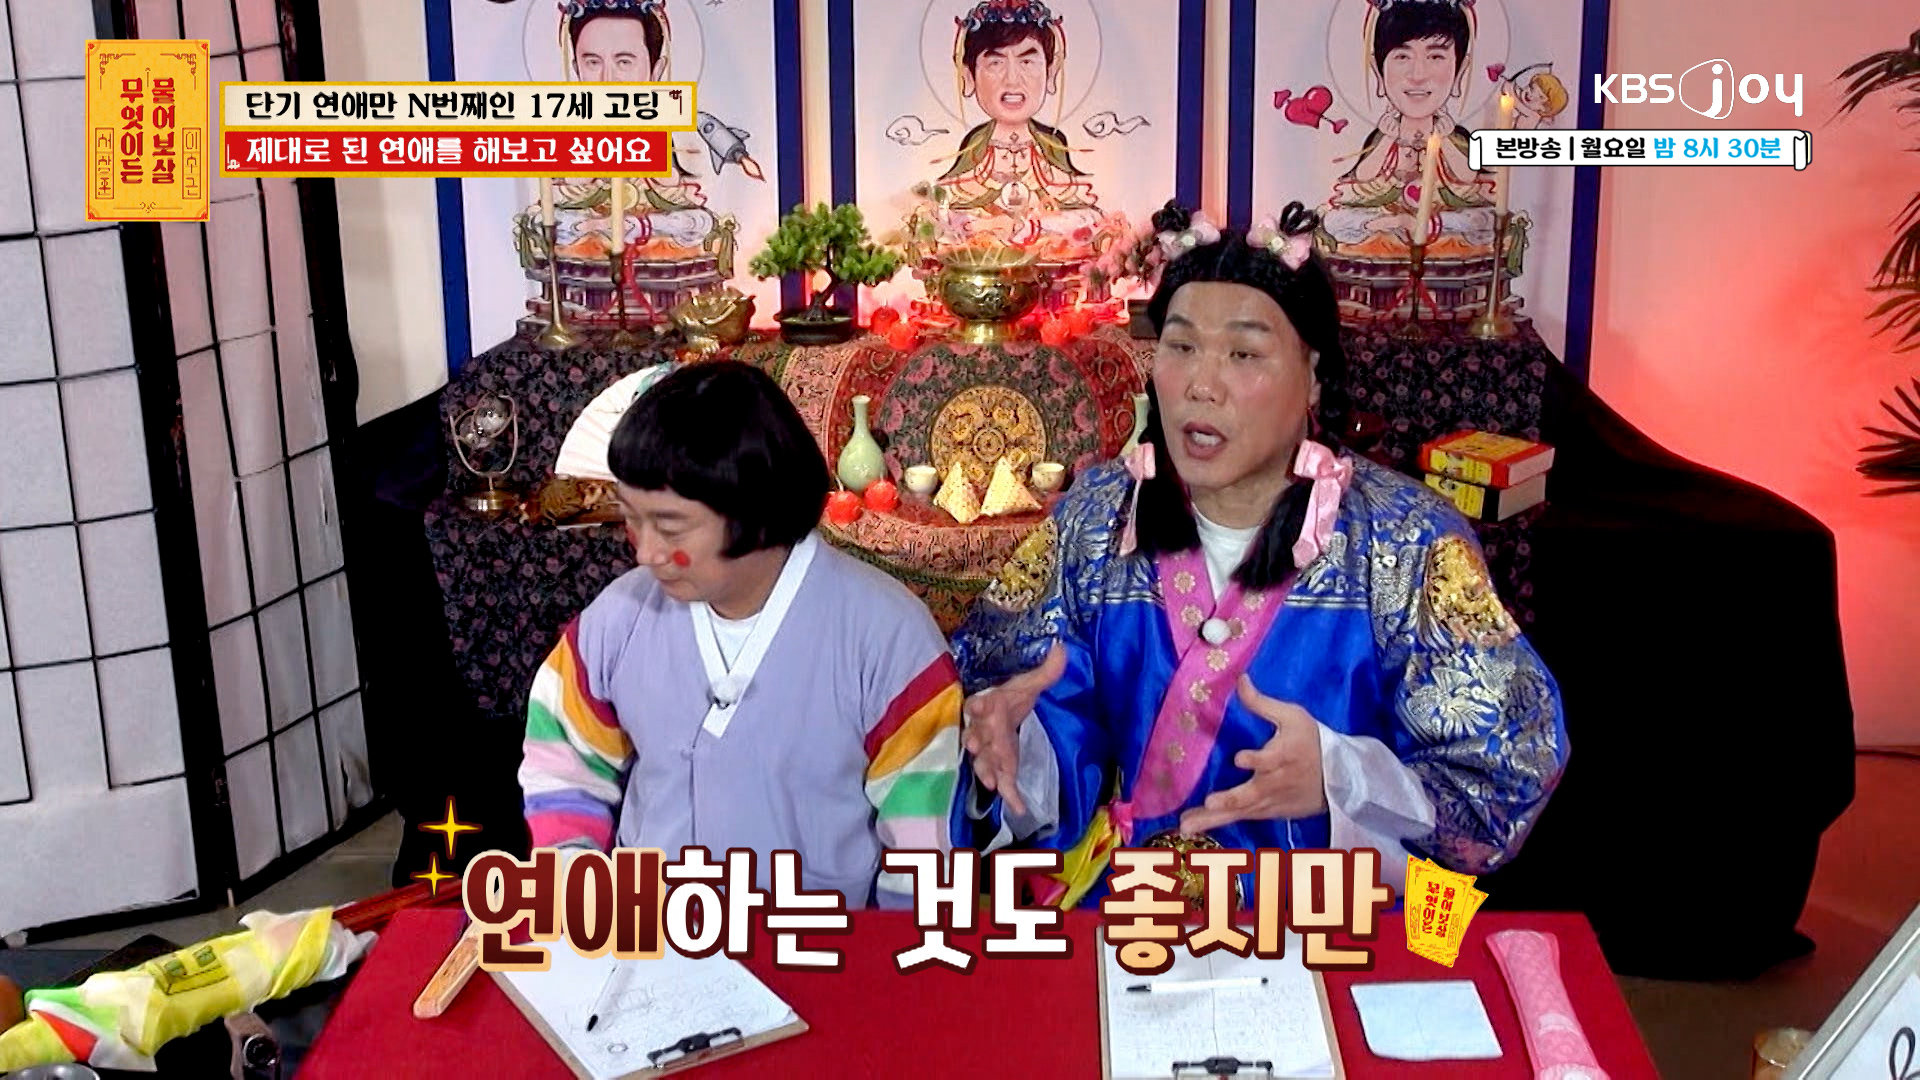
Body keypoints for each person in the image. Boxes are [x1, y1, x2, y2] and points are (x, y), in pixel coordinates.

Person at [951, 203, 1567, 907]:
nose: (1201, 384)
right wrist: (1017, 745)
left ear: (1314, 376)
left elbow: (1503, 773)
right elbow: (1034, 715)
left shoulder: (1408, 543)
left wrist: (1341, 775)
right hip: (1136, 912)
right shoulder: (1095, 520)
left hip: (1326, 919)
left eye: (1243, 354)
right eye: (1181, 347)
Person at [518, 362, 965, 908]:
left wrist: (882, 949)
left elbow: (922, 853)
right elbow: (562, 762)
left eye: (670, 527)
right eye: (632, 519)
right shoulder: (619, 617)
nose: (646, 553)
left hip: (816, 937)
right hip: (650, 936)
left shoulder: (890, 639)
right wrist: (577, 889)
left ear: (755, 510)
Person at [914, 0, 1115, 263]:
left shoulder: (1051, 148)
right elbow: (941, 220)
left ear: (1051, 70)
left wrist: (1036, 227)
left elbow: (1089, 218)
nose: (1012, 79)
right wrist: (983, 226)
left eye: (1027, 61)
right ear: (969, 75)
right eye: (995, 63)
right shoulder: (973, 152)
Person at [1322, 0, 1496, 253]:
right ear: (1378, 70)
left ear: (1460, 71)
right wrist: (1387, 140)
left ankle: (1425, 225)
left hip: (1445, 218)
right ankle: (1395, 224)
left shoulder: (1454, 136)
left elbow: (1468, 180)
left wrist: (1446, 139)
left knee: (1484, 219)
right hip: (1388, 217)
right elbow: (1363, 179)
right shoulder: (1384, 134)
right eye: (1402, 56)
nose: (1418, 75)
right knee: (1334, 220)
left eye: (1435, 56)